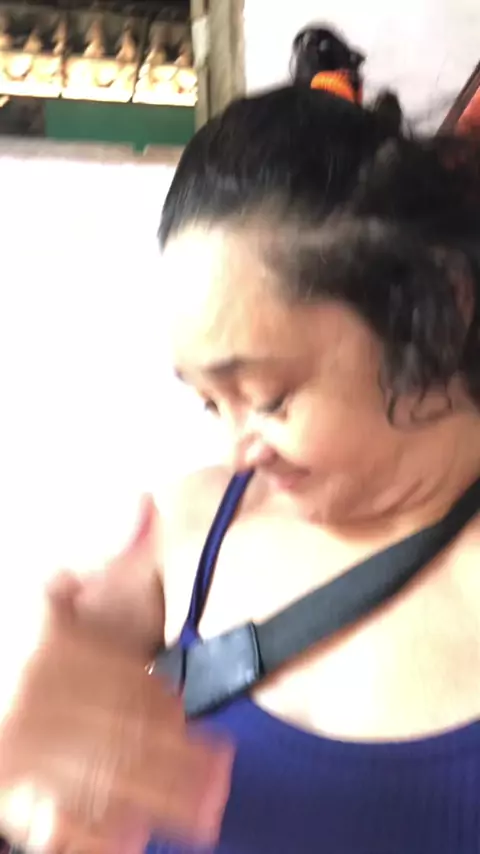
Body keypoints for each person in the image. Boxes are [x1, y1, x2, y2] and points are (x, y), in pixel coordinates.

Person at [1, 25, 480, 854]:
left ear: (436, 309)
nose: (236, 451)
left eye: (267, 397)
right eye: (207, 404)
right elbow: (55, 661)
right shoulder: (192, 530)